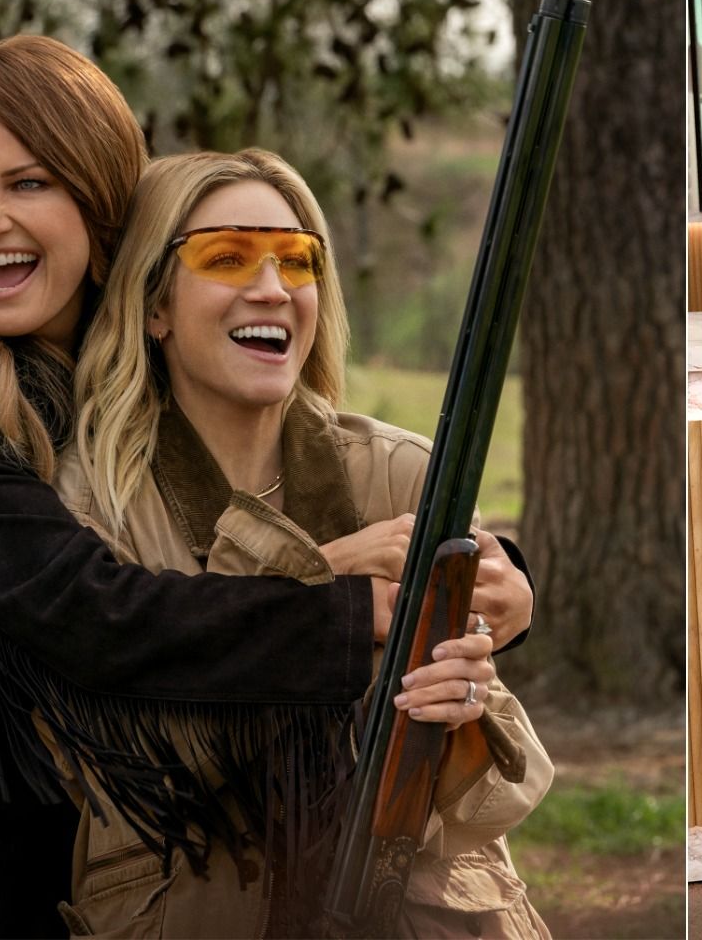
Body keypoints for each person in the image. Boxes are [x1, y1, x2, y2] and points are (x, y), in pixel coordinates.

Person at [0, 36, 533, 935]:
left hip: (104, 851)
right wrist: (340, 591)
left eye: (28, 183)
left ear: (100, 204)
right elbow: (96, 614)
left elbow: (283, 475)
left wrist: (487, 578)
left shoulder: (116, 334)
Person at [50, 148, 550, 937]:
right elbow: (122, 767)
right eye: (227, 258)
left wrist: (464, 707)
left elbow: (495, 799)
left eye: (297, 260)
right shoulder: (91, 502)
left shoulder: (408, 475)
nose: (273, 288)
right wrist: (319, 582)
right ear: (155, 307)